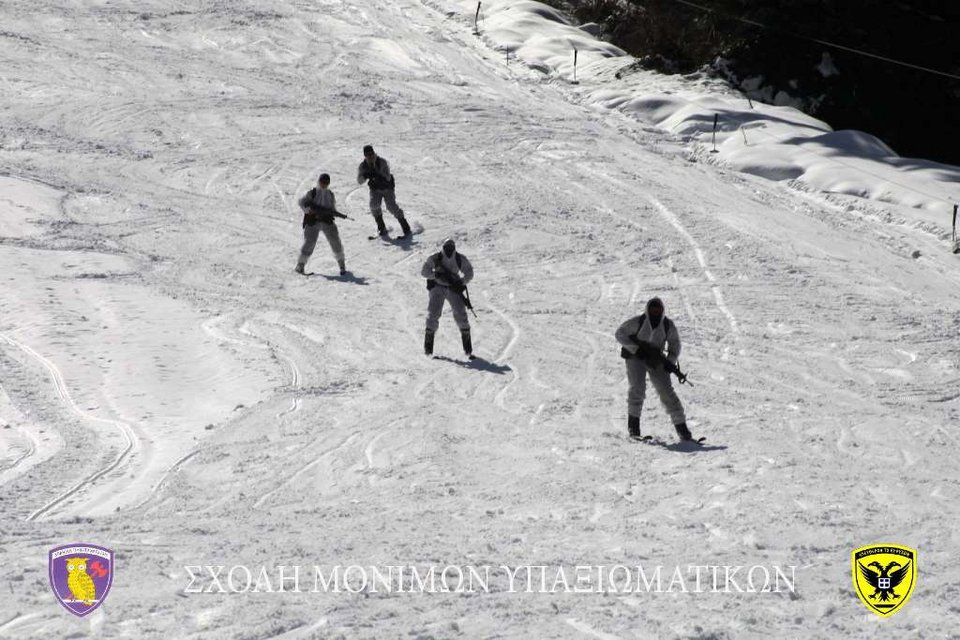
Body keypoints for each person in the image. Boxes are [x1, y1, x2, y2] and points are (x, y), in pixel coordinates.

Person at [614, 297, 694, 441]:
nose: (655, 311)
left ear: (662, 310)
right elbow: (620, 333)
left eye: (658, 309)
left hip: (656, 360)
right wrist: (635, 349)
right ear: (648, 309)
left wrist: (670, 362)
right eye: (653, 308)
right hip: (635, 358)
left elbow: (675, 345)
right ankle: (634, 428)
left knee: (667, 392)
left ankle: (682, 430)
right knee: (637, 388)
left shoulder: (668, 325)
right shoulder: (638, 322)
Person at [421, 238, 474, 358]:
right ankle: (428, 349)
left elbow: (469, 272)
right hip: (438, 287)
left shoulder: (459, 258)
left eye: (451, 248)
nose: (449, 250)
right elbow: (424, 271)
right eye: (447, 247)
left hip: (453, 288)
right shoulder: (435, 258)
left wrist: (461, 282)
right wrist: (435, 275)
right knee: (433, 314)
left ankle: (468, 350)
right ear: (443, 248)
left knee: (461, 315)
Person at [357, 144, 412, 238]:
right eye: (368, 155)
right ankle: (381, 227)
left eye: (371, 154)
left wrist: (378, 174)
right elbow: (359, 181)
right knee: (373, 205)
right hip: (375, 189)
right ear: (365, 156)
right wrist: (365, 175)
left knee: (391, 207)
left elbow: (388, 177)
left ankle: (405, 227)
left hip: (387, 188)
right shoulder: (363, 166)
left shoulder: (381, 162)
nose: (370, 156)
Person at [296, 173, 346, 275]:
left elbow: (332, 209)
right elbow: (301, 202)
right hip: (313, 221)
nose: (324, 184)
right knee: (309, 242)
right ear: (319, 181)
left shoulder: (330, 194)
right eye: (323, 182)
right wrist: (309, 210)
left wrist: (335, 213)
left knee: (335, 241)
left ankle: (341, 264)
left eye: (327, 183)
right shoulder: (312, 193)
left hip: (326, 221)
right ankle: (300, 265)